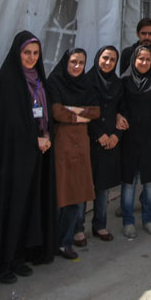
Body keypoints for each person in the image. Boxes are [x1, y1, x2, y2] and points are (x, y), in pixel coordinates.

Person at [0, 31, 57, 284]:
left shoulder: (38, 78)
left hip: (36, 156)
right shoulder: (7, 81)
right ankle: (0, 263)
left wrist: (46, 134)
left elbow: (44, 114)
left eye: (35, 53)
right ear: (17, 52)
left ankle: (18, 257)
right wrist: (34, 140)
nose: (31, 57)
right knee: (11, 208)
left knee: (28, 207)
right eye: (27, 52)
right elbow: (9, 124)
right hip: (12, 161)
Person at [48, 48, 100, 260]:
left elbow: (96, 111)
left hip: (81, 147)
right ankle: (51, 242)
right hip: (61, 145)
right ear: (66, 62)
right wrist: (80, 114)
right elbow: (56, 112)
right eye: (73, 62)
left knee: (76, 195)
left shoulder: (86, 84)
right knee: (60, 194)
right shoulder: (55, 82)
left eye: (81, 63)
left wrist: (70, 110)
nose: (77, 66)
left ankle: (66, 242)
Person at [119, 45, 151, 238]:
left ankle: (148, 220)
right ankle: (128, 222)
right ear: (134, 60)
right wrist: (118, 116)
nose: (144, 62)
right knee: (128, 182)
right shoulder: (124, 80)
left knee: (150, 182)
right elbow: (118, 106)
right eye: (141, 59)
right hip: (129, 138)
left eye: (148, 59)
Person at [74, 46, 124, 246]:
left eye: (112, 59)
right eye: (105, 58)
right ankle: (78, 229)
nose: (108, 62)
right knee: (83, 186)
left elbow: (123, 110)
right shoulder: (86, 81)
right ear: (97, 58)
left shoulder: (118, 84)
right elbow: (83, 111)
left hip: (109, 142)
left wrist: (116, 135)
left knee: (103, 187)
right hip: (88, 140)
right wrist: (99, 134)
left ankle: (100, 225)